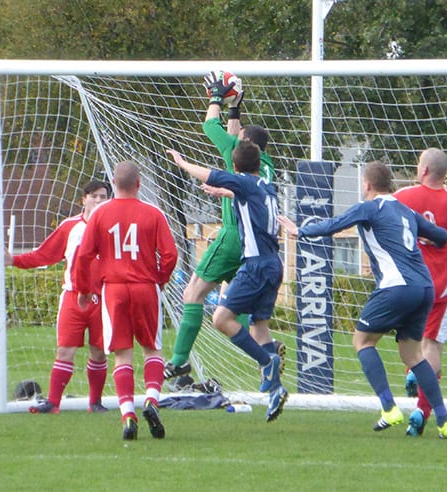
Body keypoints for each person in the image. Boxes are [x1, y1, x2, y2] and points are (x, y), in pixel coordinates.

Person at [278, 160, 447, 438]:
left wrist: (300, 231)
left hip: (397, 286)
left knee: (362, 341)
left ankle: (389, 407)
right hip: (425, 288)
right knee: (413, 355)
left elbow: (335, 224)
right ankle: (445, 422)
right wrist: (426, 237)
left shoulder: (369, 208)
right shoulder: (406, 210)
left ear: (367, 185)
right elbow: (443, 236)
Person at [164, 70, 284, 382]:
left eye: (240, 132)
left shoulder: (239, 159)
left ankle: (179, 361)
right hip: (260, 247)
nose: (237, 132)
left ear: (244, 144)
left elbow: (208, 126)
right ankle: (270, 366)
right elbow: (234, 139)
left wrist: (217, 97)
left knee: (193, 293)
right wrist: (236, 108)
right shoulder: (264, 166)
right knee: (253, 320)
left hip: (233, 237)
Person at [166, 142, 288, 422]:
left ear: (235, 168)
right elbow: (247, 196)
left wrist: (183, 163)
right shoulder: (267, 185)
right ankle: (276, 391)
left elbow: (209, 174)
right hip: (274, 265)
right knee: (260, 328)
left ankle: (267, 362)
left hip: (255, 265)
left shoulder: (242, 182)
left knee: (221, 318)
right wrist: (226, 192)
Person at [74, 161, 178, 441]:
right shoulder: (153, 213)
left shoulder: (99, 214)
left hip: (114, 289)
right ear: (139, 184)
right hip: (145, 286)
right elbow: (170, 255)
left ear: (113, 184)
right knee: (152, 349)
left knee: (123, 354)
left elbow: (84, 256)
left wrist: (84, 288)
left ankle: (128, 415)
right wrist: (160, 280)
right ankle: (152, 400)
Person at [5, 180, 110, 414]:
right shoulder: (70, 227)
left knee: (98, 351)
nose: (99, 201)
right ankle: (53, 402)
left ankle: (95, 402)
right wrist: (14, 260)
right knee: (65, 350)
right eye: (94, 196)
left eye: (104, 197)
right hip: (73, 298)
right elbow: (45, 255)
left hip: (103, 299)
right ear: (83, 199)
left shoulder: (113, 227)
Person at [393, 147, 447, 436]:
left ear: (423, 170)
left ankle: (413, 375)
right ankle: (421, 410)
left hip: (411, 282)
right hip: (442, 285)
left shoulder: (402, 197)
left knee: (411, 343)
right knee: (433, 346)